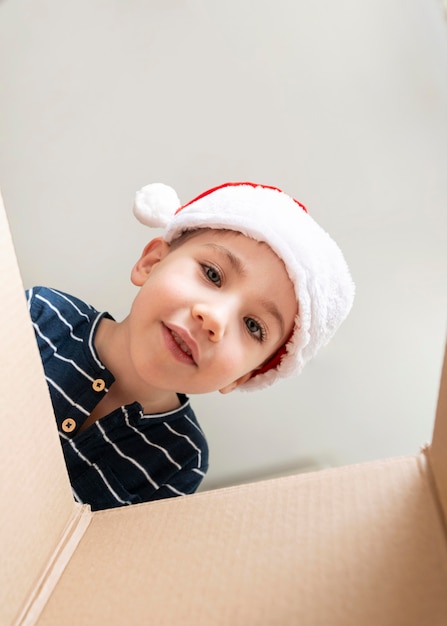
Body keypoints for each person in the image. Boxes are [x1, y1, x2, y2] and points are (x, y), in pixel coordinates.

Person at [27, 181, 355, 511]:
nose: (214, 318)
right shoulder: (41, 314)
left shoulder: (182, 460)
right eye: (213, 275)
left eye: (253, 326)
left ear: (243, 377)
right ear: (151, 263)